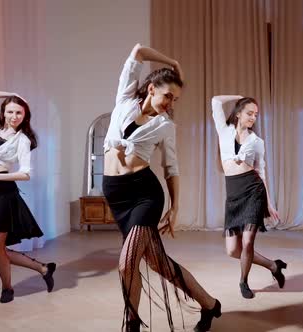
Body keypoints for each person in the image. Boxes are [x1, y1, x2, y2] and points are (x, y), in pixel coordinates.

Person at [102, 43, 221, 332]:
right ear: (153, 87)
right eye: (168, 95)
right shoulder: (125, 98)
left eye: (175, 99)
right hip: (116, 194)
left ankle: (132, 324)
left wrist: (175, 206)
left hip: (144, 194)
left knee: (127, 262)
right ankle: (209, 304)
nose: (170, 103)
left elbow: (172, 169)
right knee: (158, 263)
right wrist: (173, 61)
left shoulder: (166, 126)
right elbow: (138, 51)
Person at [0, 90, 56, 304]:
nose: (14, 116)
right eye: (10, 111)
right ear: (3, 113)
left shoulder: (23, 140)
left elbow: (26, 173)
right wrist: (11, 93)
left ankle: (7, 289)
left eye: (19, 112)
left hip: (3, 192)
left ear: (25, 115)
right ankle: (43, 268)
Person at [211, 95, 286, 299]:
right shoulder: (224, 131)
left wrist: (269, 203)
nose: (253, 117)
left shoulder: (257, 142)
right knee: (232, 250)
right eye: (249, 113)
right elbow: (216, 101)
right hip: (233, 194)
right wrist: (238, 97)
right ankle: (273, 265)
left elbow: (261, 172)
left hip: (253, 191)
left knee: (247, 243)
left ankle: (243, 282)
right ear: (238, 114)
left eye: (255, 114)